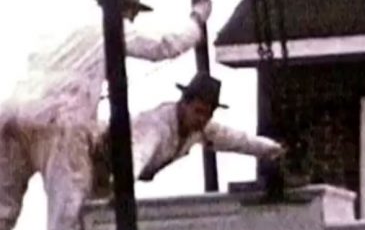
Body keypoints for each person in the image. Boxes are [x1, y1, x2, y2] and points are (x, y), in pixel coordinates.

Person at [0, 0, 213, 230]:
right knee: (68, 217)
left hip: (13, 115)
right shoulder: (114, 27)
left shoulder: (67, 32)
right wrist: (197, 20)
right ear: (128, 11)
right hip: (60, 123)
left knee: (3, 208)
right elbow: (164, 45)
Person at [92, 71, 284, 197]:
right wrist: (122, 188)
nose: (202, 119)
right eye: (198, 111)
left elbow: (236, 139)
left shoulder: (201, 128)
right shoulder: (157, 126)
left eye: (208, 114)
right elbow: (138, 154)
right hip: (95, 158)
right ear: (184, 103)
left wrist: (273, 149)